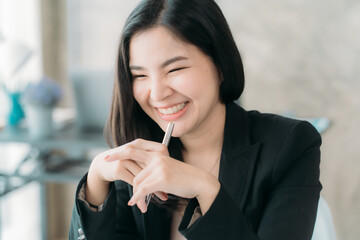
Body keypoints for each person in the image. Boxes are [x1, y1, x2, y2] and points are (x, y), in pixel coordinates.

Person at [69, 0, 322, 239]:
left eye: (175, 69)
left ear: (220, 65)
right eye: (140, 75)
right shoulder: (140, 149)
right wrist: (94, 187)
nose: (157, 94)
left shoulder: (291, 145)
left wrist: (205, 188)